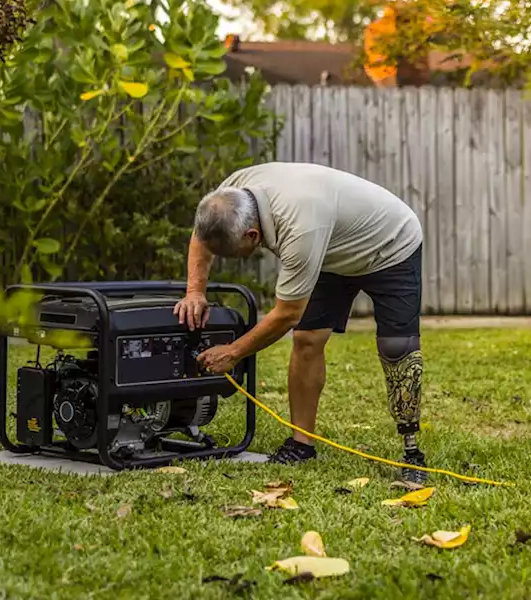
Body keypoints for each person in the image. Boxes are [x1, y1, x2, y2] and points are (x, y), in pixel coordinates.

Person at [173, 161, 430, 483]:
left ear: (253, 234)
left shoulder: (301, 228)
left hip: (390, 245)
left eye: (236, 253)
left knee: (397, 347)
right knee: (307, 339)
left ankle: (412, 451)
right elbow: (202, 233)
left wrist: (234, 352)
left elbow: (287, 314)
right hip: (331, 249)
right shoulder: (230, 194)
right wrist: (195, 292)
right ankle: (301, 443)